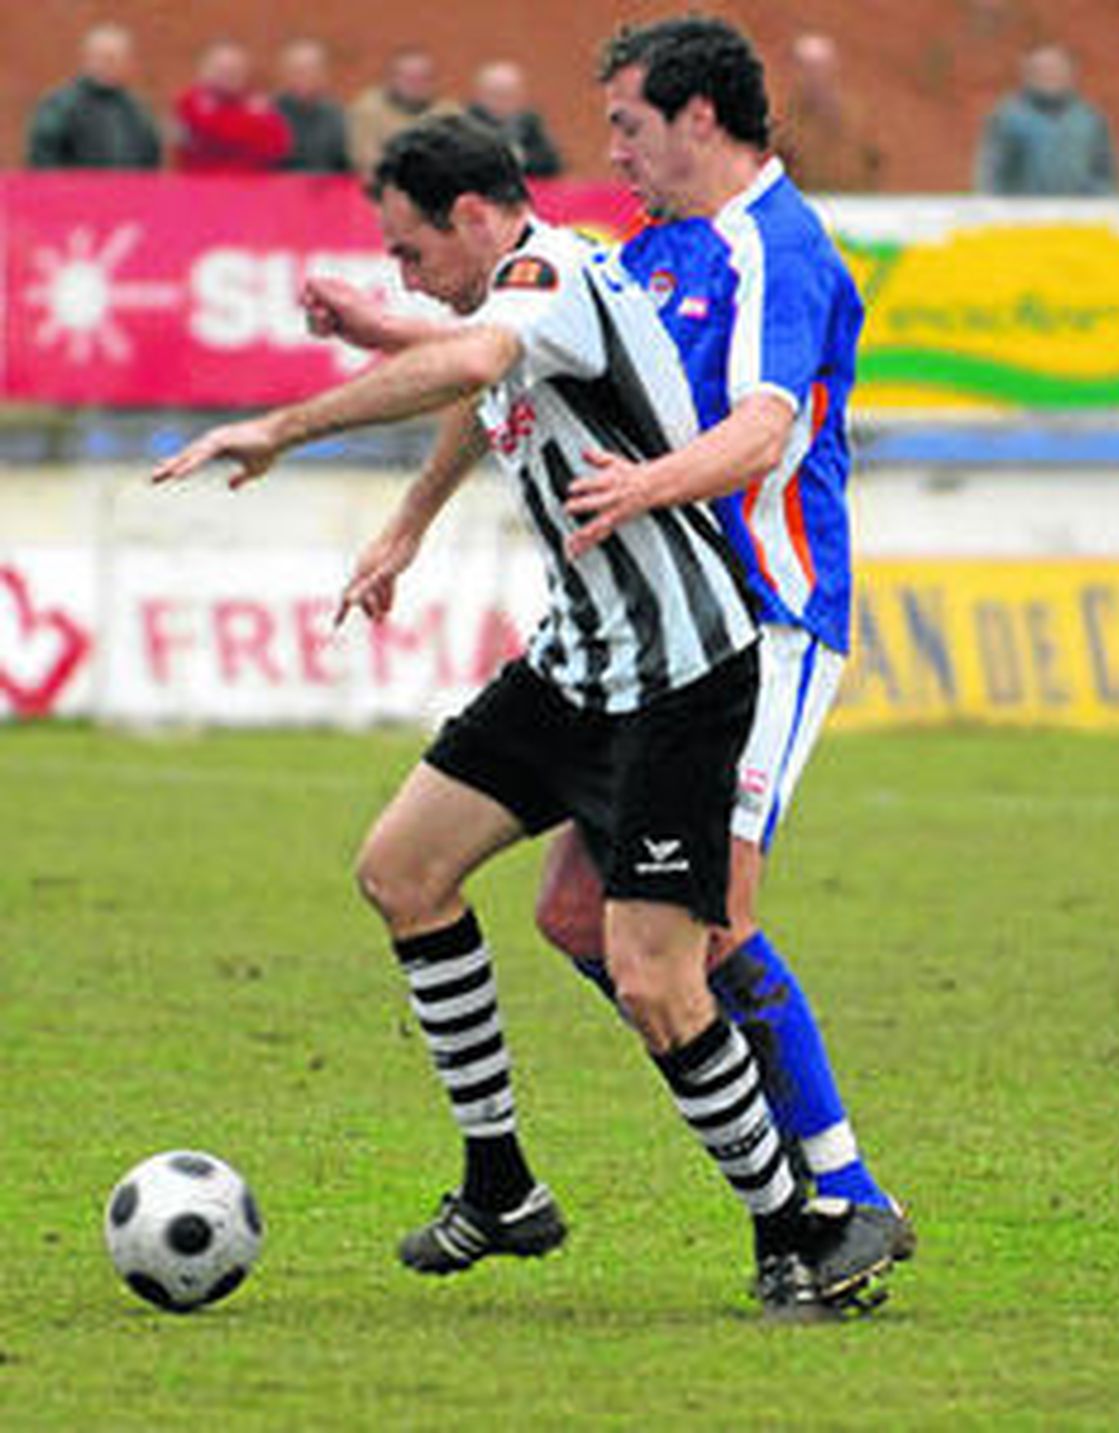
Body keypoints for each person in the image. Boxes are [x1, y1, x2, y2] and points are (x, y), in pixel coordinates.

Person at [152, 114, 897, 1319]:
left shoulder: (548, 274)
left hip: (680, 677)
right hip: (578, 665)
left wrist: (281, 427)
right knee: (402, 869)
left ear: (472, 220)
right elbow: (470, 369)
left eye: (408, 252)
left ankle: (798, 1225)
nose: (403, 275)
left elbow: (464, 358)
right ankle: (500, 1184)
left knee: (658, 979)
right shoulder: (519, 295)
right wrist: (402, 509)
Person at [303, 15, 912, 1260]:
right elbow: (508, 378)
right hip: (633, 637)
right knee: (584, 920)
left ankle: (843, 1193)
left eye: (627, 123)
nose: (610, 149)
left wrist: (652, 485)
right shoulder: (651, 247)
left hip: (768, 617)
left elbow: (763, 431)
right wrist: (412, 519)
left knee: (707, 922)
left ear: (699, 118)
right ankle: (707, 1143)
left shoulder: (777, 250)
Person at [973, 43, 1118, 195]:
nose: (1050, 75)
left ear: (1071, 73)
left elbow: (1106, 173)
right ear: (1028, 75)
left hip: (1078, 215)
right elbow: (991, 176)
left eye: (1057, 69)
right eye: (1042, 70)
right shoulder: (1008, 119)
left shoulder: (1089, 119)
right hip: (1024, 215)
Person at [26, 22, 162, 169]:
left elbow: (151, 159)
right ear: (87, 59)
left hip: (126, 191)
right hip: (75, 191)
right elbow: (43, 159)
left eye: (119, 59)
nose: (111, 65)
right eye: (105, 58)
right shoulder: (61, 106)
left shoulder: (136, 109)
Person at [774, 33, 881, 193]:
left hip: (851, 205)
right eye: (805, 68)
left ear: (833, 69)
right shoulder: (783, 121)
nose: (813, 76)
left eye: (819, 68)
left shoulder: (858, 117)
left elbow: (876, 163)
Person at [172, 39, 293, 174]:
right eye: (221, 70)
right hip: (202, 184)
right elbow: (207, 133)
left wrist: (233, 129)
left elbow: (277, 147)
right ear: (206, 71)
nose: (228, 76)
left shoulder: (261, 105)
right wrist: (249, 128)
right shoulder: (190, 101)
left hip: (252, 184)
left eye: (234, 70)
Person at [347, 47, 459, 181]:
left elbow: (456, 161)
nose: (417, 85)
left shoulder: (449, 112)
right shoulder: (368, 110)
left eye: (424, 78)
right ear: (390, 79)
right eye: (409, 78)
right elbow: (366, 162)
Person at [466, 60, 563, 179]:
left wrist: (519, 158)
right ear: (480, 95)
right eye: (495, 94)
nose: (501, 102)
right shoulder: (465, 123)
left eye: (508, 95)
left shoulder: (529, 122)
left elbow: (553, 163)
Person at [274, 37, 350, 173]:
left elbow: (346, 165)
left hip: (327, 190)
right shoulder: (269, 115)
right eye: (297, 71)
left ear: (323, 74)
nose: (304, 77)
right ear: (284, 74)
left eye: (311, 70)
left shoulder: (337, 116)